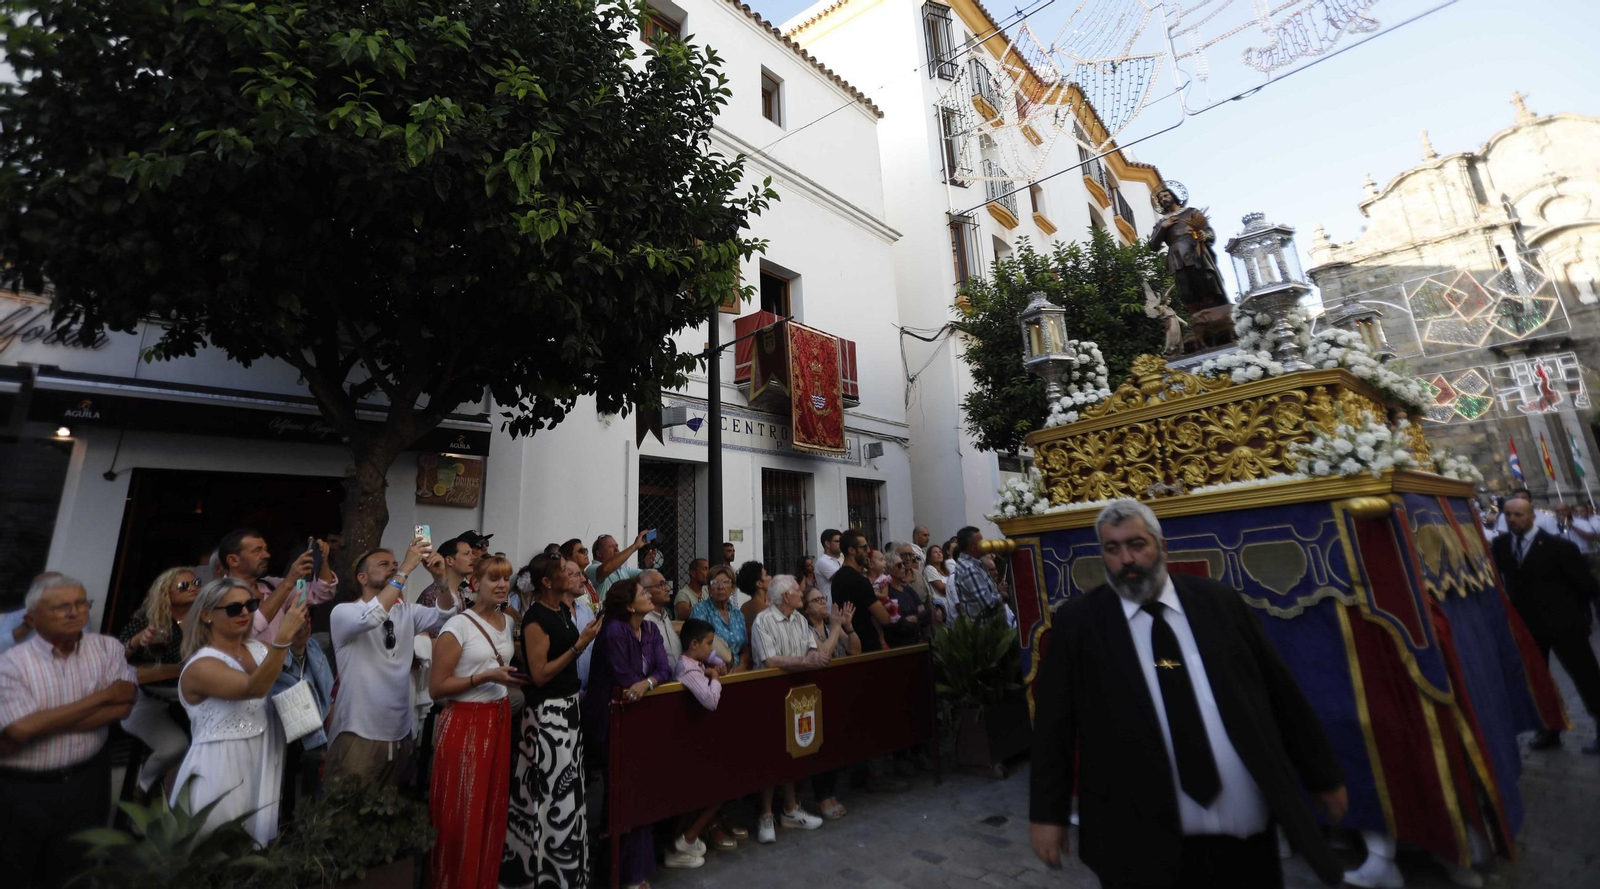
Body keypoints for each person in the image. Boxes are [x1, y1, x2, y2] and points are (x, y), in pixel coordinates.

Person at [1029, 499, 1347, 888]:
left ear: (1162, 546)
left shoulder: (1219, 603)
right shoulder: (1079, 625)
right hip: (1140, 840)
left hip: (1245, 837)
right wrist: (1048, 813)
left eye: (1136, 544)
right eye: (1112, 549)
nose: (1126, 559)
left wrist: (1323, 776)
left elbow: (1281, 693)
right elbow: (1053, 727)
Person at [0, 573, 137, 887]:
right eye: (61, 607)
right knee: (16, 873)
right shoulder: (11, 664)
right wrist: (101, 698)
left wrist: (42, 722)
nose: (75, 612)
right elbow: (20, 730)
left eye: (80, 603)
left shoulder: (107, 648)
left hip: (87, 782)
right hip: (21, 790)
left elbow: (125, 704)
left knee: (77, 872)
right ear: (32, 618)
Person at [173, 577, 308, 844]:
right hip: (220, 763)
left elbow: (282, 679)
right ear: (206, 615)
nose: (245, 613)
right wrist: (283, 638)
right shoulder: (201, 665)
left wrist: (298, 639)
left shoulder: (260, 649)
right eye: (234, 609)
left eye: (251, 605)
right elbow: (253, 688)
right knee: (218, 845)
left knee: (254, 848)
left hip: (265, 753)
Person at [503, 555, 605, 889]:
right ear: (547, 581)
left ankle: (566, 872)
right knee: (545, 797)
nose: (572, 574)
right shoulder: (535, 618)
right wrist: (580, 645)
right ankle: (539, 873)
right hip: (547, 715)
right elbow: (541, 674)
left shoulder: (561, 611)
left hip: (568, 708)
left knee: (567, 793)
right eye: (564, 571)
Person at [325, 539, 456, 785]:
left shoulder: (406, 611)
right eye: (384, 564)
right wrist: (405, 569)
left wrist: (440, 580)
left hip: (399, 731)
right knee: (345, 813)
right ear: (362, 578)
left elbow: (446, 616)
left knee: (386, 813)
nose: (393, 568)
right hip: (357, 731)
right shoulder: (344, 612)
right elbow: (372, 617)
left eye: (394, 564)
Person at [429, 556, 525, 889]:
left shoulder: (506, 622)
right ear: (474, 585)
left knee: (491, 810)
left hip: (497, 720)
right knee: (462, 814)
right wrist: (485, 676)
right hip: (464, 724)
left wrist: (503, 681)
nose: (502, 585)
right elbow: (437, 687)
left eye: (506, 579)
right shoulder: (457, 627)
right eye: (494, 579)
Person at [1492, 496, 1600, 753]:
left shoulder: (1558, 547)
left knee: (1587, 679)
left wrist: (1574, 616)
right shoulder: (1501, 545)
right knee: (1539, 681)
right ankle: (1549, 729)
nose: (1513, 519)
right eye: (1508, 514)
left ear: (1532, 516)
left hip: (1565, 626)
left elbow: (1586, 586)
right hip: (1528, 628)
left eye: (1519, 514)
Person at [583, 578, 672, 889]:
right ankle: (619, 872)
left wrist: (648, 683)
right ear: (630, 605)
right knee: (622, 792)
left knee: (641, 791)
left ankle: (637, 869)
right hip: (611, 721)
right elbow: (623, 676)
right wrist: (643, 682)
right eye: (643, 593)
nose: (650, 596)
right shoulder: (613, 631)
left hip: (639, 716)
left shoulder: (650, 630)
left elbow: (663, 667)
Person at [749, 574, 828, 842]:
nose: (800, 593)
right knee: (769, 754)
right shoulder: (764, 620)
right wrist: (805, 662)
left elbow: (810, 649)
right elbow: (769, 660)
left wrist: (811, 659)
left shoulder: (800, 619)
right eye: (797, 590)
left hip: (797, 694)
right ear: (785, 597)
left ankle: (791, 808)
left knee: (795, 749)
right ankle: (766, 813)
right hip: (770, 694)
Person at [117, 566, 200, 800]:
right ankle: (142, 789)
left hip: (190, 701)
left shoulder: (204, 619)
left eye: (197, 583)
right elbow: (116, 657)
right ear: (166, 592)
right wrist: (136, 641)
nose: (193, 588)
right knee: (174, 747)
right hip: (150, 700)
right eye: (184, 585)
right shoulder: (148, 618)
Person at [668, 620, 731, 866]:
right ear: (694, 644)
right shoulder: (689, 668)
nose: (711, 647)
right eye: (708, 643)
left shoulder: (696, 664)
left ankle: (684, 840)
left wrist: (714, 666)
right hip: (689, 742)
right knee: (717, 789)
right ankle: (686, 838)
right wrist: (715, 678)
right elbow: (710, 700)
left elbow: (714, 664)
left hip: (693, 740)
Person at [215, 528, 333, 645]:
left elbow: (322, 593)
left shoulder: (272, 585)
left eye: (265, 549)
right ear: (233, 560)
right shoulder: (217, 595)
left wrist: (322, 559)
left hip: (281, 663)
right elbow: (253, 627)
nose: (267, 555)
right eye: (257, 550)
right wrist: (289, 581)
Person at [270, 603, 334, 814]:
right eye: (298, 619)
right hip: (281, 735)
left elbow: (326, 690)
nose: (304, 624)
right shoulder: (275, 655)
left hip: (315, 731)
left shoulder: (314, 649)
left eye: (307, 619)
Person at [802, 588, 857, 820]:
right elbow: (823, 655)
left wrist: (848, 626)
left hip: (836, 689)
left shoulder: (830, 625)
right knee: (818, 745)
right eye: (816, 600)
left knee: (834, 743)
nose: (823, 603)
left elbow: (855, 649)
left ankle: (831, 792)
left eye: (823, 598)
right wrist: (835, 627)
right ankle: (822, 795)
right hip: (814, 691)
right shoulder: (805, 629)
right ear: (806, 609)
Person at [1147, 186, 1230, 314]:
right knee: (1185, 289)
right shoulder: (1161, 223)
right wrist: (1164, 228)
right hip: (1176, 257)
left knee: (1206, 283)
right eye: (1160, 198)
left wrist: (1204, 234)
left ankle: (1215, 311)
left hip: (1195, 252)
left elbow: (1209, 233)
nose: (1163, 199)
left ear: (1173, 196)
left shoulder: (1191, 212)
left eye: (1166, 195)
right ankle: (1196, 316)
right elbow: (1153, 245)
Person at [832, 530, 891, 652]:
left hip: (849, 643)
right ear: (851, 550)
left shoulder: (837, 577)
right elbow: (884, 619)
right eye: (864, 548)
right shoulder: (859, 581)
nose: (868, 551)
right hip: (866, 644)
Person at [692, 564, 751, 671]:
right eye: (714, 583)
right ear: (709, 588)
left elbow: (745, 647)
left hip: (739, 673)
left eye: (726, 582)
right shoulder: (700, 611)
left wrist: (741, 666)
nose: (720, 587)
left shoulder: (738, 614)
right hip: (712, 674)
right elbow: (697, 647)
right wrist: (717, 667)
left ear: (733, 588)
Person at [950, 526, 1004, 624]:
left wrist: (997, 590)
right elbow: (988, 603)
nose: (985, 544)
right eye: (981, 541)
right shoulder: (969, 568)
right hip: (985, 630)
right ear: (972, 546)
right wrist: (1002, 595)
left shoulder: (974, 563)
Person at [418, 536, 478, 615]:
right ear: (449, 560)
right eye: (467, 554)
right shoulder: (433, 596)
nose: (474, 557)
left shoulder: (461, 592)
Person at [587, 530, 653, 601]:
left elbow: (648, 576)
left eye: (617, 546)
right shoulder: (592, 569)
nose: (617, 550)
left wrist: (648, 566)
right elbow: (605, 569)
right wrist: (635, 546)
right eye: (611, 547)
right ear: (599, 553)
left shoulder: (623, 570)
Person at [640, 568, 683, 675]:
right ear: (644, 591)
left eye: (666, 584)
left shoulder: (664, 615)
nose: (668, 589)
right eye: (660, 585)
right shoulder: (644, 621)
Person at [885, 545, 930, 645]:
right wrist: (918, 615)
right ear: (889, 569)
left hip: (916, 640)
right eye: (899, 565)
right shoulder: (887, 592)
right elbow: (898, 624)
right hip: (900, 644)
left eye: (903, 565)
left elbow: (927, 611)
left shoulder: (907, 590)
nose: (904, 568)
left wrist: (916, 618)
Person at [736, 560, 769, 625]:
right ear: (759, 584)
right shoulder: (765, 610)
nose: (770, 577)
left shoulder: (744, 607)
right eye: (766, 575)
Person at [924, 544, 951, 624]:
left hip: (949, 605)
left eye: (940, 552)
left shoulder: (946, 570)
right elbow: (941, 588)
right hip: (940, 606)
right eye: (935, 552)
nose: (939, 554)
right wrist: (955, 588)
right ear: (929, 557)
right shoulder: (929, 569)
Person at [815, 529, 844, 598]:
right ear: (827, 544)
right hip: (829, 606)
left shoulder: (839, 561)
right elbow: (841, 578)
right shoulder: (822, 561)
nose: (840, 544)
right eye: (837, 541)